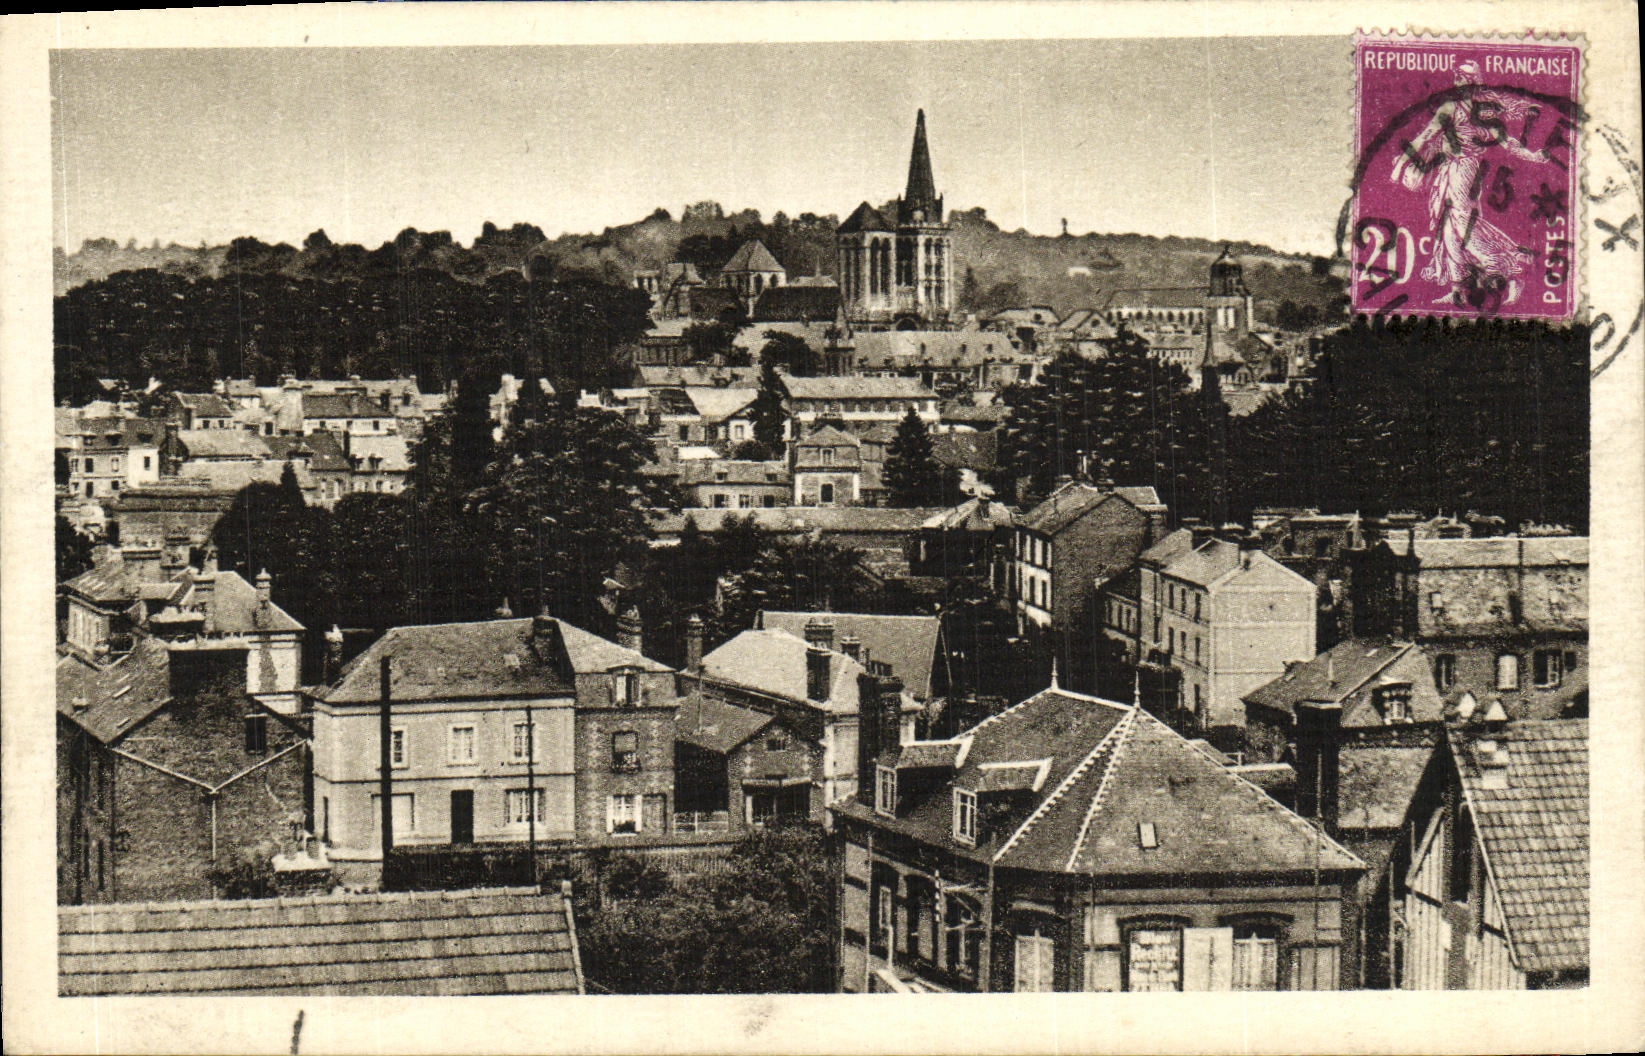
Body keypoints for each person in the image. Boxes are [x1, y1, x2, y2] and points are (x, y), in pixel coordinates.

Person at [1389, 60, 1556, 306]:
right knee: (1446, 226)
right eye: (1457, 78)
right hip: (1448, 169)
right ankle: (1458, 289)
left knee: (1462, 223)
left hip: (1465, 170)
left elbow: (1505, 140)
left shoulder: (1481, 112)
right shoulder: (1450, 108)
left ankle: (1506, 269)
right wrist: (1401, 163)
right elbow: (1424, 136)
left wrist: (1532, 156)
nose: (1458, 83)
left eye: (1463, 79)